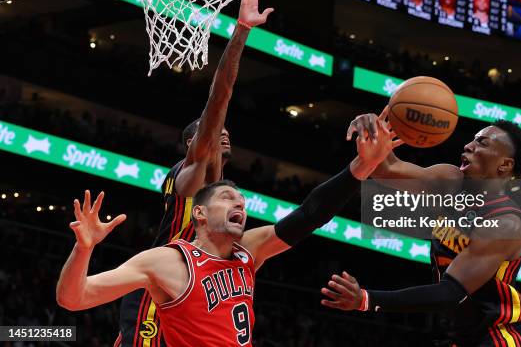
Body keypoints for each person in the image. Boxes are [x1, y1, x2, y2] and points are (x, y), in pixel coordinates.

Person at [56, 110, 403, 346]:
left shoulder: (248, 251)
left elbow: (309, 214)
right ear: (201, 214)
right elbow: (73, 299)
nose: (239, 203)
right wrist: (83, 248)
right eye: (227, 197)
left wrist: (361, 166)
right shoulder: (169, 253)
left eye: (241, 199)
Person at [115, 0, 274, 347]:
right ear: (192, 142)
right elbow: (220, 97)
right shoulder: (190, 170)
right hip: (159, 294)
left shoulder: (219, 189)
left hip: (189, 294)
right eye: (211, 130)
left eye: (224, 131)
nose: (223, 132)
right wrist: (241, 31)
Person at [322, 117, 521, 346]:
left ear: (505, 165)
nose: (468, 146)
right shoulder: (449, 180)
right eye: (473, 140)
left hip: (502, 337)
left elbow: (451, 292)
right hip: (463, 336)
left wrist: (367, 299)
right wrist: (373, 129)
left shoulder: (506, 223)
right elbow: (386, 169)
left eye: (483, 143)